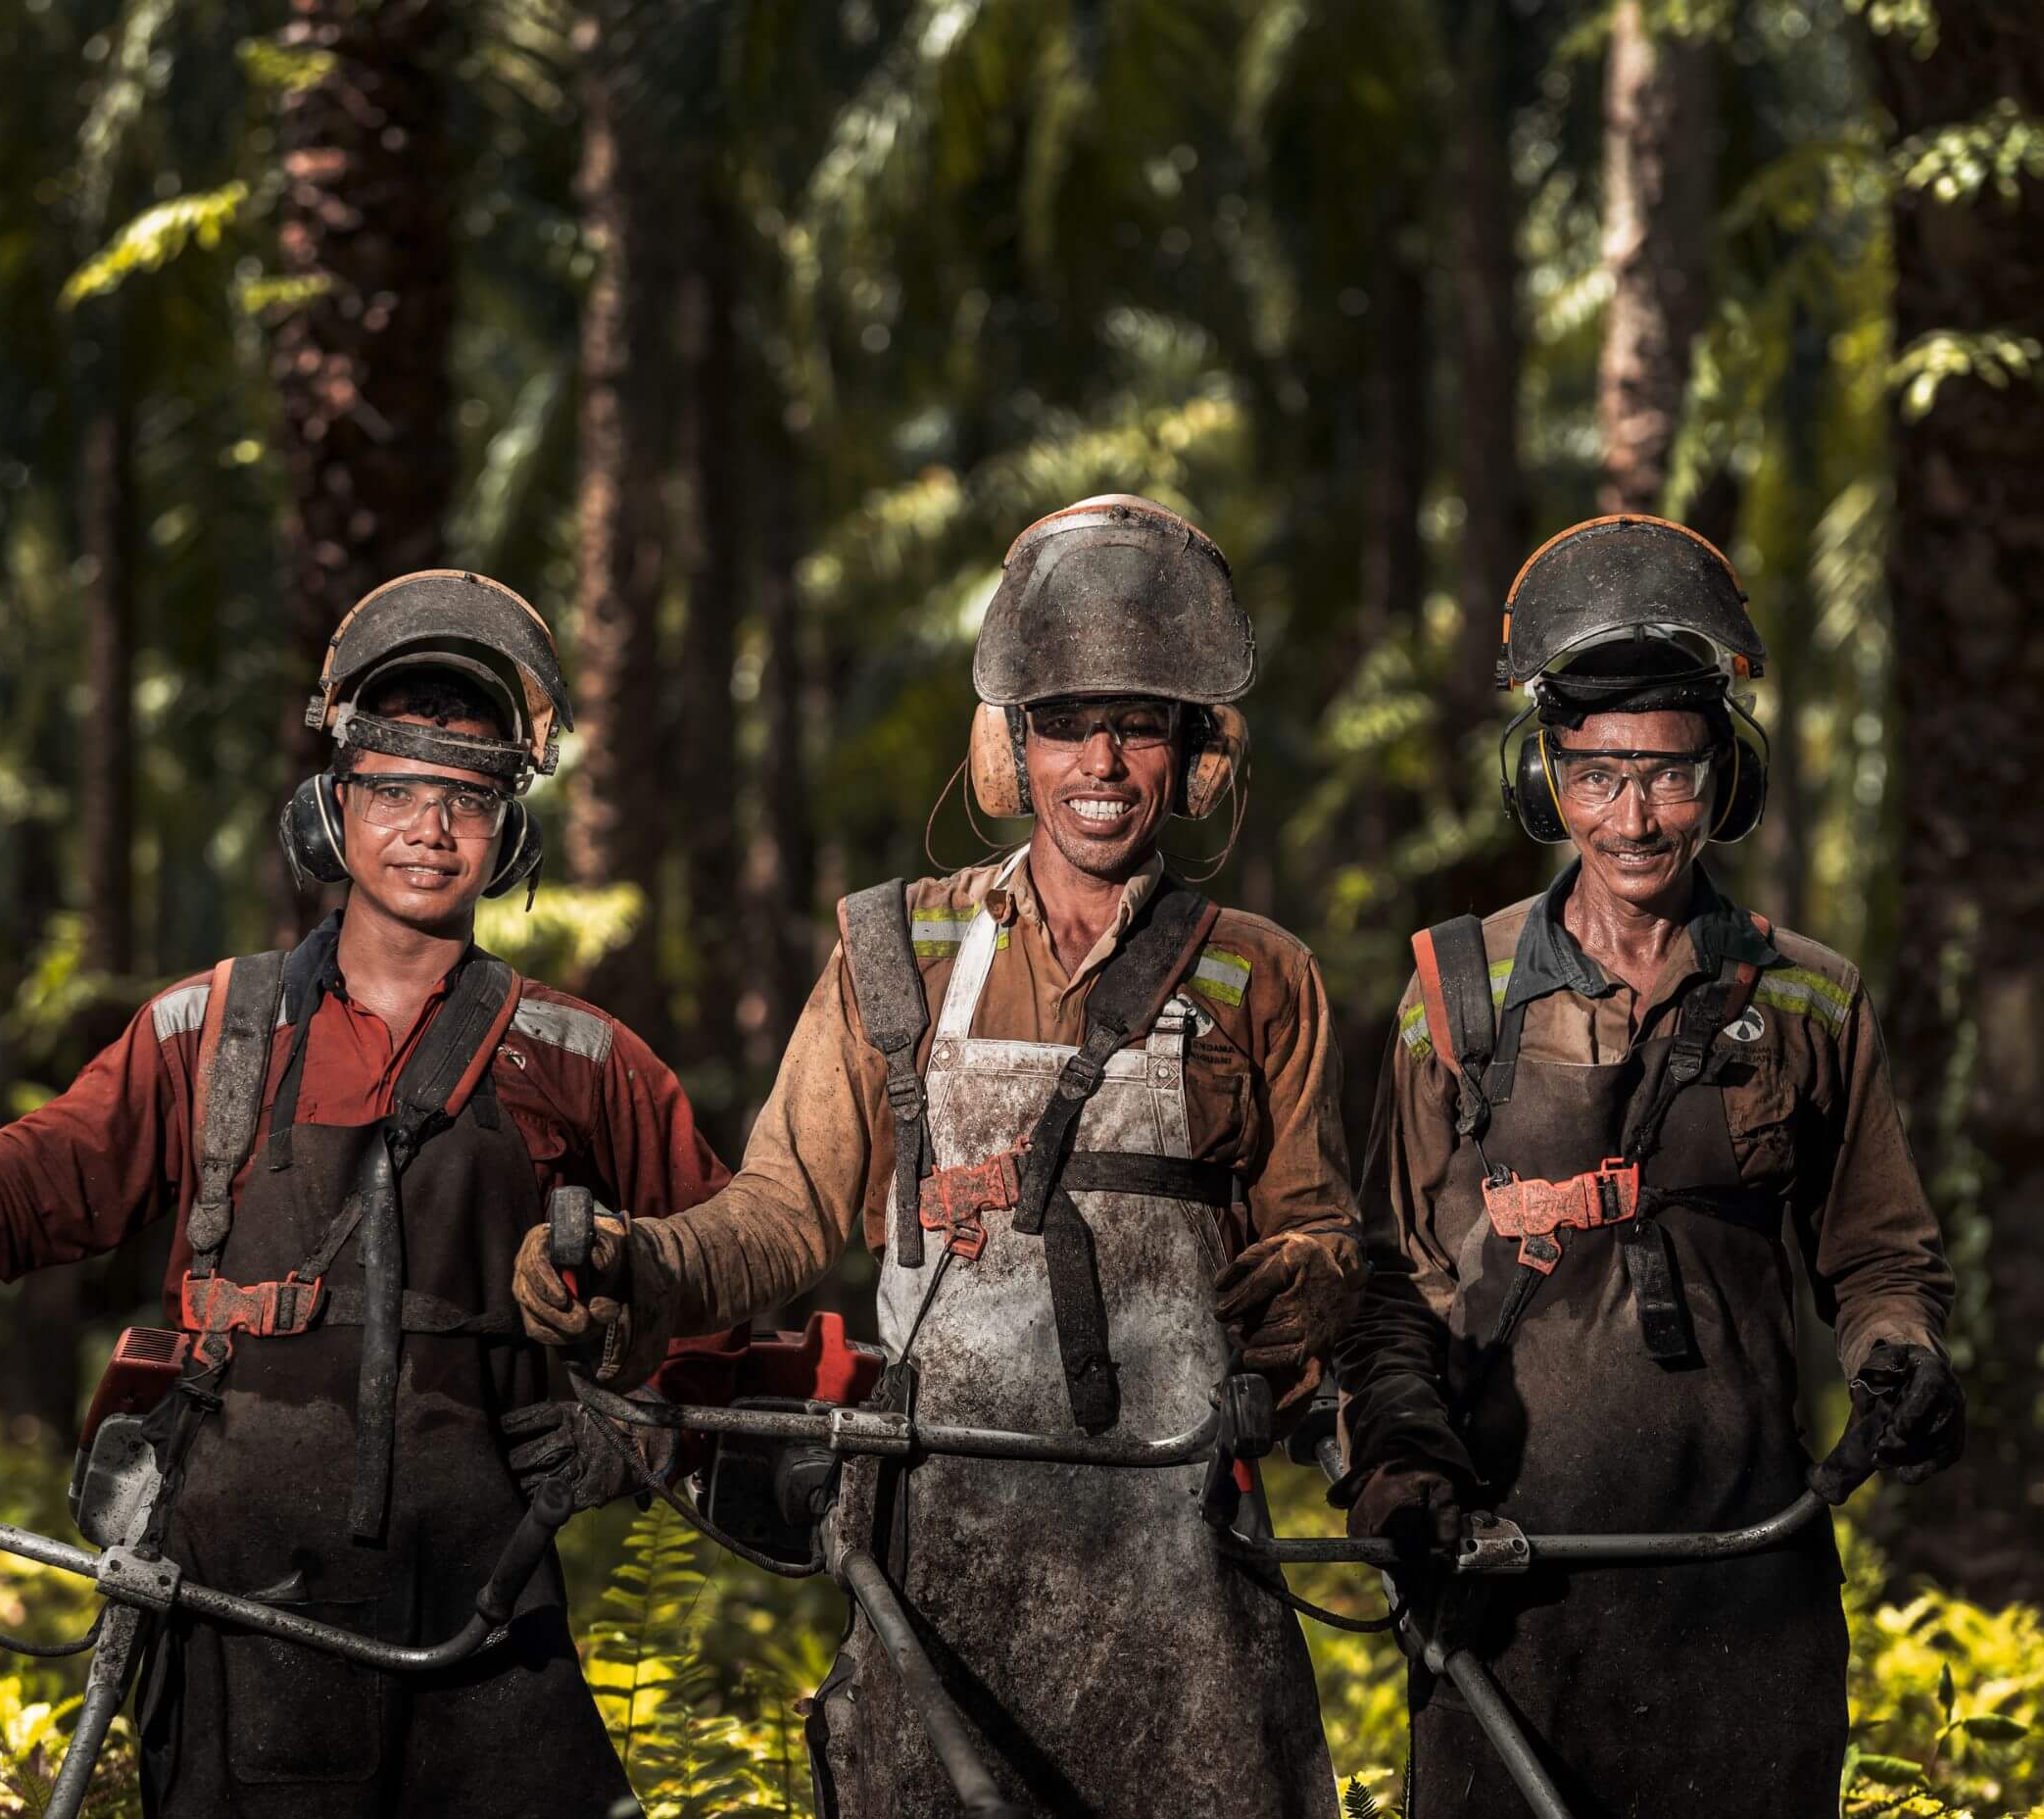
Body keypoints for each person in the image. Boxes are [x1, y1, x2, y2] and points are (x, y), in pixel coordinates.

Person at [0, 569, 726, 1817]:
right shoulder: (212, 1028)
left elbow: (728, 1262)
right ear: (334, 808)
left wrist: (646, 1427)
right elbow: (58, 1165)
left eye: (467, 797)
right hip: (237, 1584)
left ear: (512, 831)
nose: (428, 829)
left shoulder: (582, 1056)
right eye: (394, 790)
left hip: (481, 1593)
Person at [515, 495, 1357, 1818]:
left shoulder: (1264, 978)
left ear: (1194, 757)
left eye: (1140, 724)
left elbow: (1321, 1232)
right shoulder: (891, 958)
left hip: (1185, 1571)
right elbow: (783, 1213)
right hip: (940, 1577)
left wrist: (1314, 1275)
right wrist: (641, 1266)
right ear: (1005, 746)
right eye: (1066, 722)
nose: (1104, 762)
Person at [1332, 514, 1965, 1817]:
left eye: (1670, 775)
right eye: (1599, 774)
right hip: (1510, 1591)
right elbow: (1390, 1278)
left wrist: (1900, 1352)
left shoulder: (1808, 1004)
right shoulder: (1455, 997)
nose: (1634, 816)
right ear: (1546, 782)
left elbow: (1880, 1254)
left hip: (1746, 1585)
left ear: (1724, 783)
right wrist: (1401, 1461)